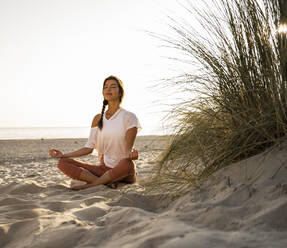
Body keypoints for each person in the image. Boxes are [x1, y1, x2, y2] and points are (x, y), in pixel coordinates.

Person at [48, 75, 141, 190]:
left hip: (124, 171)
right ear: (103, 92)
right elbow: (88, 148)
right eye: (105, 87)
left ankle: (93, 185)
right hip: (104, 170)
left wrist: (132, 154)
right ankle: (104, 183)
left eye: (113, 86)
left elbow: (128, 149)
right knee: (63, 163)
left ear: (120, 92)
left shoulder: (129, 117)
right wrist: (64, 155)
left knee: (127, 163)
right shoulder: (98, 119)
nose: (108, 89)